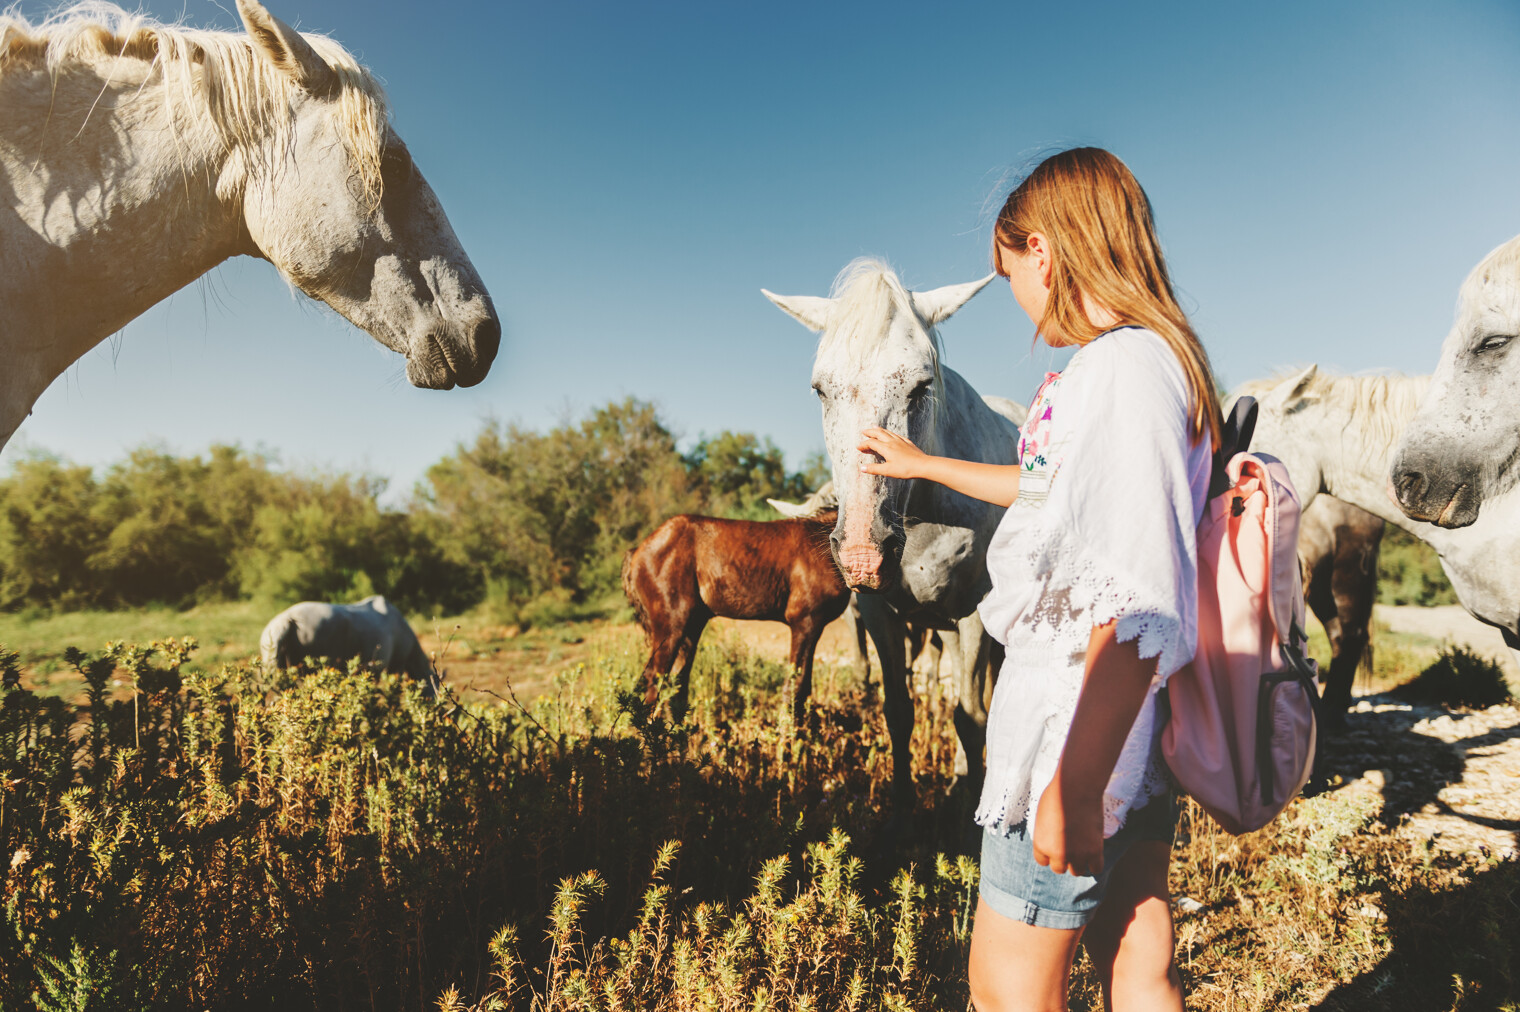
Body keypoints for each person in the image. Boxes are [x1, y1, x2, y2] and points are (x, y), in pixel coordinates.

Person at [857, 147, 1220, 1012]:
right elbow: (1054, 492)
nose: (1015, 293)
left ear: (1044, 253)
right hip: (1129, 727)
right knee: (1137, 966)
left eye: (1008, 268)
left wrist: (1075, 785)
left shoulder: (1122, 374)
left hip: (1074, 729)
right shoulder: (1153, 366)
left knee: (1008, 992)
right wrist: (924, 463)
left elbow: (1137, 597)